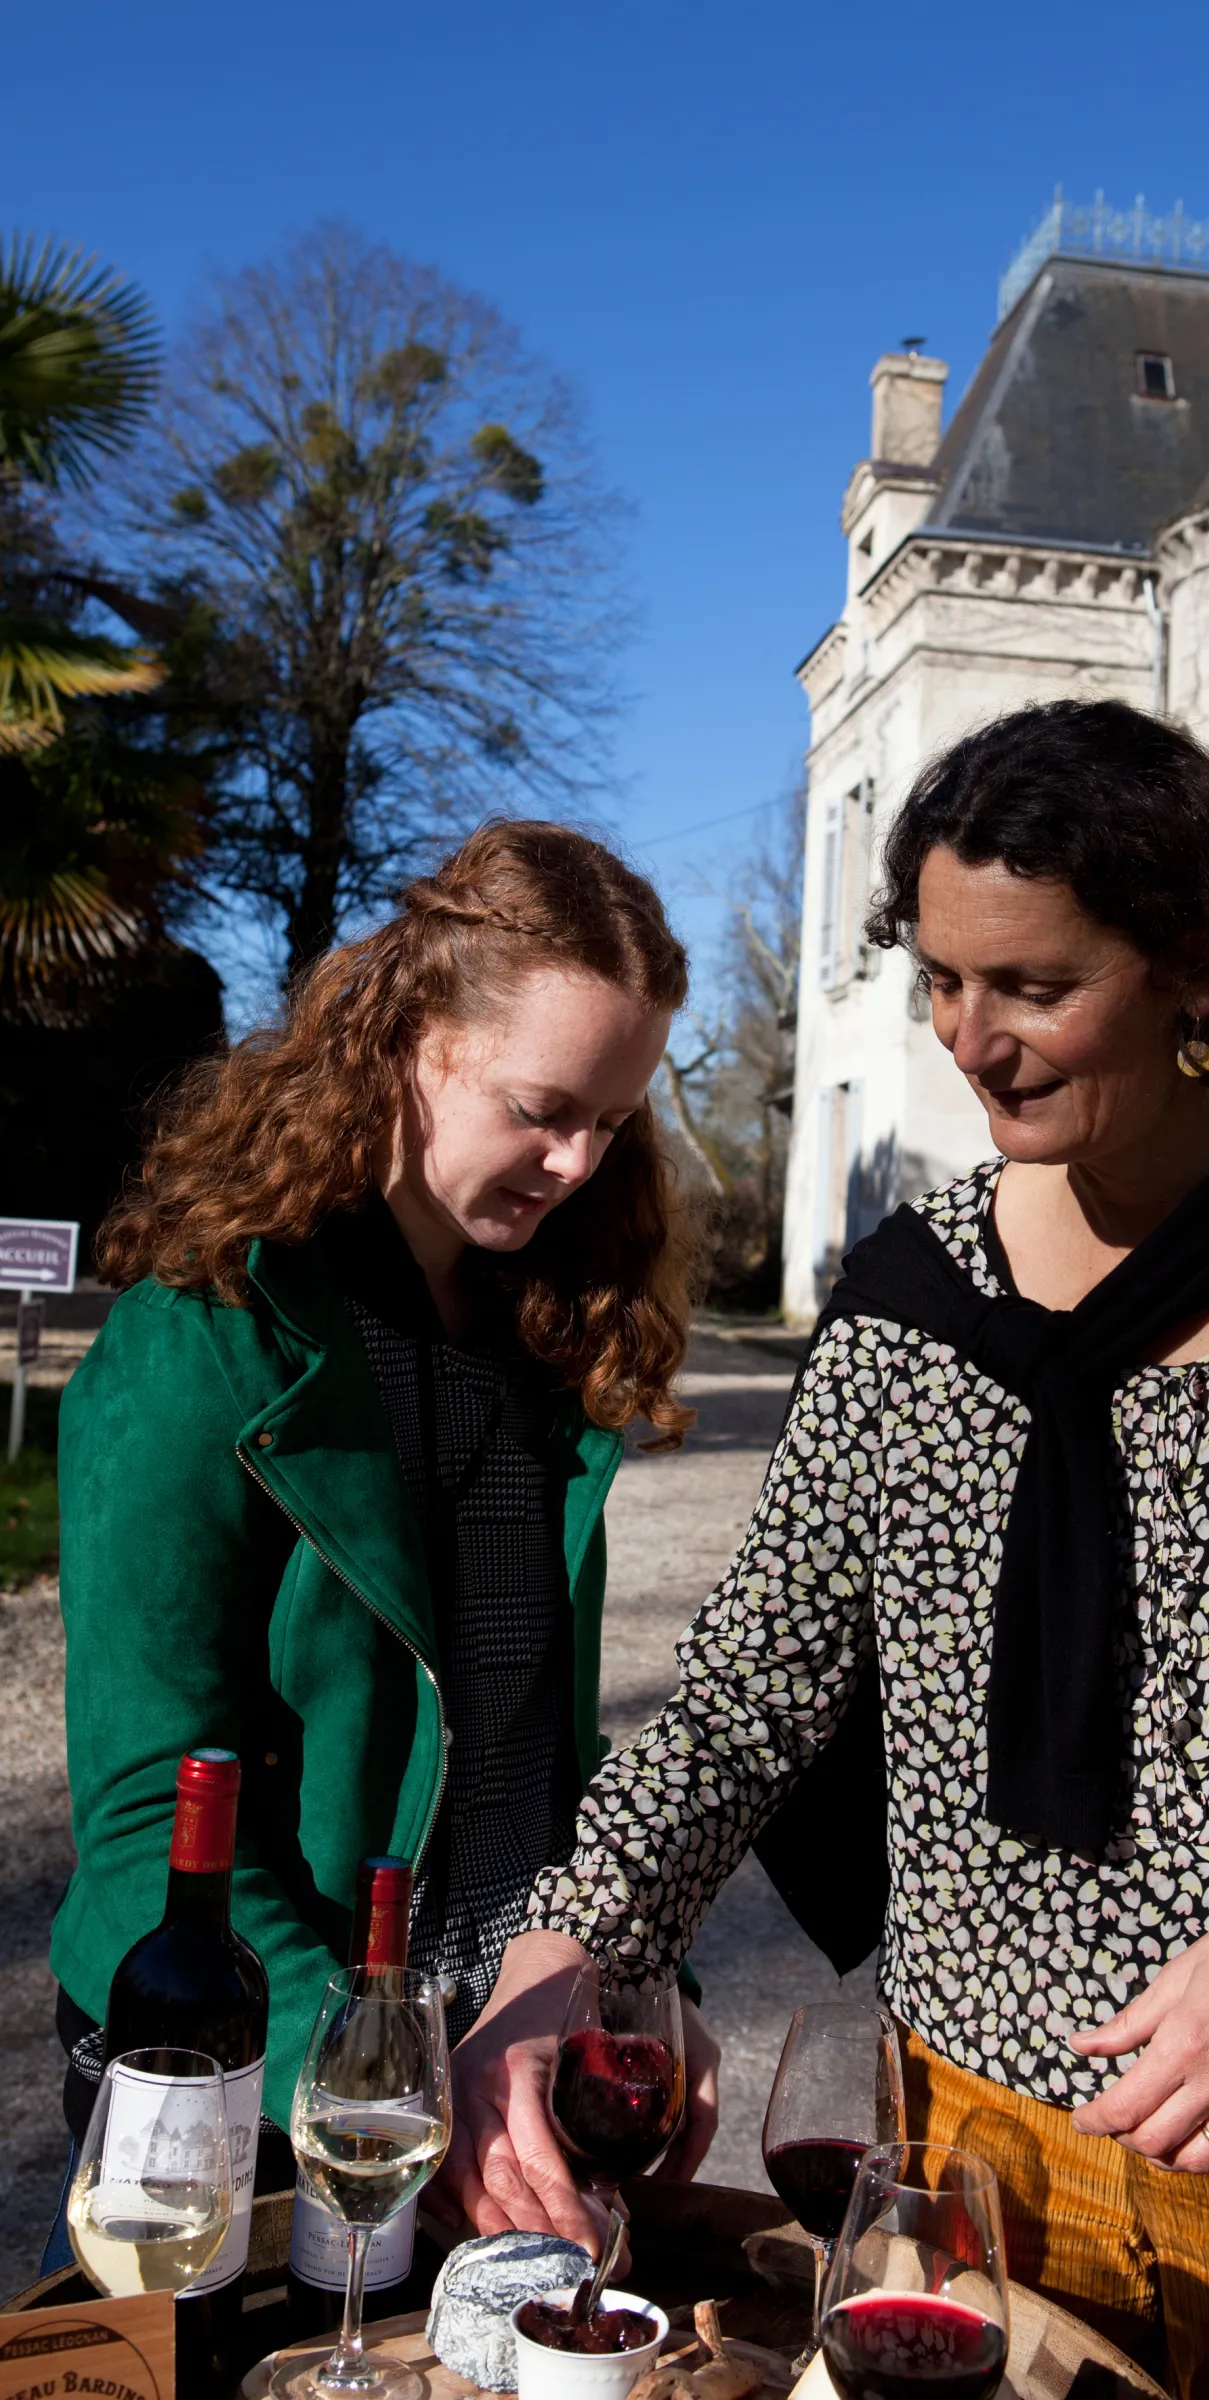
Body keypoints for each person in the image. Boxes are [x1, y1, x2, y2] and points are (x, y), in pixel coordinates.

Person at [442, 705, 1209, 2398]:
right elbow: (746, 1699)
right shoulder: (919, 1305)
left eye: (1034, 988)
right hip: (967, 2172)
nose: (969, 1041)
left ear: (1199, 966)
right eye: (940, 980)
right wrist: (565, 1950)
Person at [47, 820, 719, 2259]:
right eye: (545, 1108)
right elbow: (138, 1826)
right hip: (259, 2072)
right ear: (412, 1037)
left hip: (497, 2066)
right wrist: (378, 2082)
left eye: (615, 1119)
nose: (578, 1161)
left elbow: (545, 1748)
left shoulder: (553, 1344)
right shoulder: (204, 1342)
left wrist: (629, 1996)